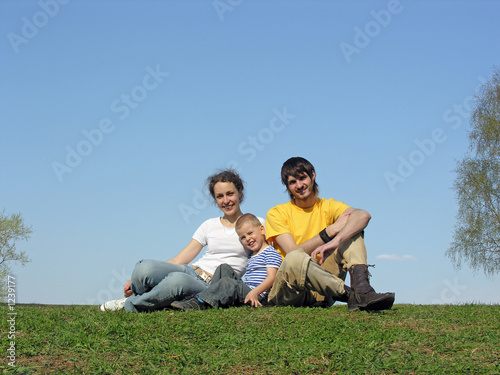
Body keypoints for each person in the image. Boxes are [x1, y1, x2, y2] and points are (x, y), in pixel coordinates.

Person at [100, 169, 264, 312]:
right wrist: (143, 276)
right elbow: (179, 259)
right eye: (220, 196)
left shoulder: (256, 224)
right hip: (192, 271)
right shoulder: (209, 225)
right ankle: (138, 293)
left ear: (240, 192)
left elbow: (267, 256)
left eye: (230, 194)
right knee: (145, 268)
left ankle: (131, 304)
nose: (226, 201)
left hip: (211, 285)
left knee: (177, 281)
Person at [265, 157, 395, 311]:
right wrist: (328, 233)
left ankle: (362, 291)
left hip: (322, 290)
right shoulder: (276, 213)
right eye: (293, 182)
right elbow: (293, 253)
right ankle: (351, 295)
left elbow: (363, 215)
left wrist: (337, 239)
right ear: (287, 186)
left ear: (313, 175)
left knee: (352, 232)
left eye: (302, 178)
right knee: (294, 258)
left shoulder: (328, 206)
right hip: (291, 290)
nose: (299, 185)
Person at [170, 213, 282, 310]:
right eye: (243, 237)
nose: (247, 238)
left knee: (229, 284)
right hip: (248, 290)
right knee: (224, 268)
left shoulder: (270, 253)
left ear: (262, 230)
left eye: (250, 233)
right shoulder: (253, 255)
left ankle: (198, 301)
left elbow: (272, 278)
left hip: (258, 296)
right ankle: (211, 296)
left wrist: (256, 292)